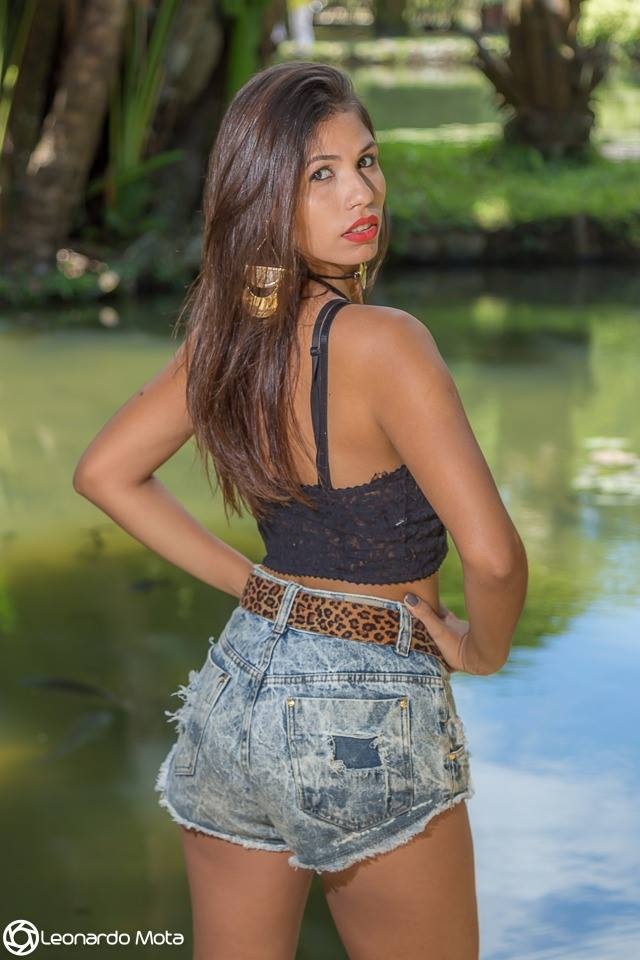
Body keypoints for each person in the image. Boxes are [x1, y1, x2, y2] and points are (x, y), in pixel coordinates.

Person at [73, 60, 528, 960]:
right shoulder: (387, 343)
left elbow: (104, 473)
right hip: (364, 708)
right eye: (321, 174)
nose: (362, 192)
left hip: (235, 688)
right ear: (262, 195)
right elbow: (496, 558)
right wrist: (484, 649)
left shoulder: (231, 335)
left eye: (367, 161)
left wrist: (259, 591)